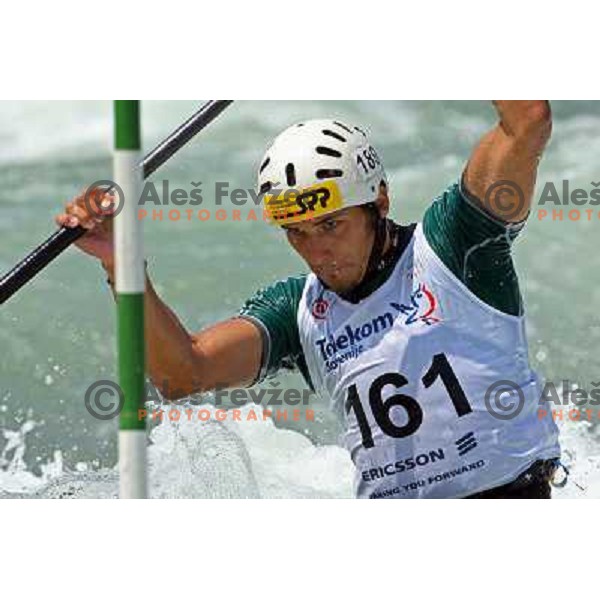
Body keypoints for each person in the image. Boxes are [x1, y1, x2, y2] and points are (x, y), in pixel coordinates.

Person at [56, 101, 561, 499]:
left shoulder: (456, 243)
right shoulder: (298, 309)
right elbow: (182, 374)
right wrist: (119, 263)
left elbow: (526, 121)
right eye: (296, 233)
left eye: (331, 225)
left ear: (379, 200)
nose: (317, 251)